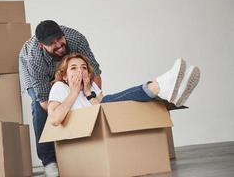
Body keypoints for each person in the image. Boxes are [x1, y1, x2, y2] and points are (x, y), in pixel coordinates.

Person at [19, 20, 102, 176]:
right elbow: (45, 102)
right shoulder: (34, 59)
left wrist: (91, 95)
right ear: (42, 45)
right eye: (52, 43)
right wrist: (65, 110)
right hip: (36, 74)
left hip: (65, 68)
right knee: (38, 107)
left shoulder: (76, 39)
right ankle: (49, 161)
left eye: (59, 38)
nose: (58, 44)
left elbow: (95, 74)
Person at [47, 53, 201, 126]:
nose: (80, 71)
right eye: (73, 68)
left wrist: (88, 93)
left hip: (106, 124)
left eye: (83, 68)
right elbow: (54, 120)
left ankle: (169, 90)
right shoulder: (60, 87)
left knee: (112, 103)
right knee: (107, 101)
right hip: (86, 130)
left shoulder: (91, 86)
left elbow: (104, 111)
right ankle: (160, 86)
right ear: (65, 76)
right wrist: (74, 92)